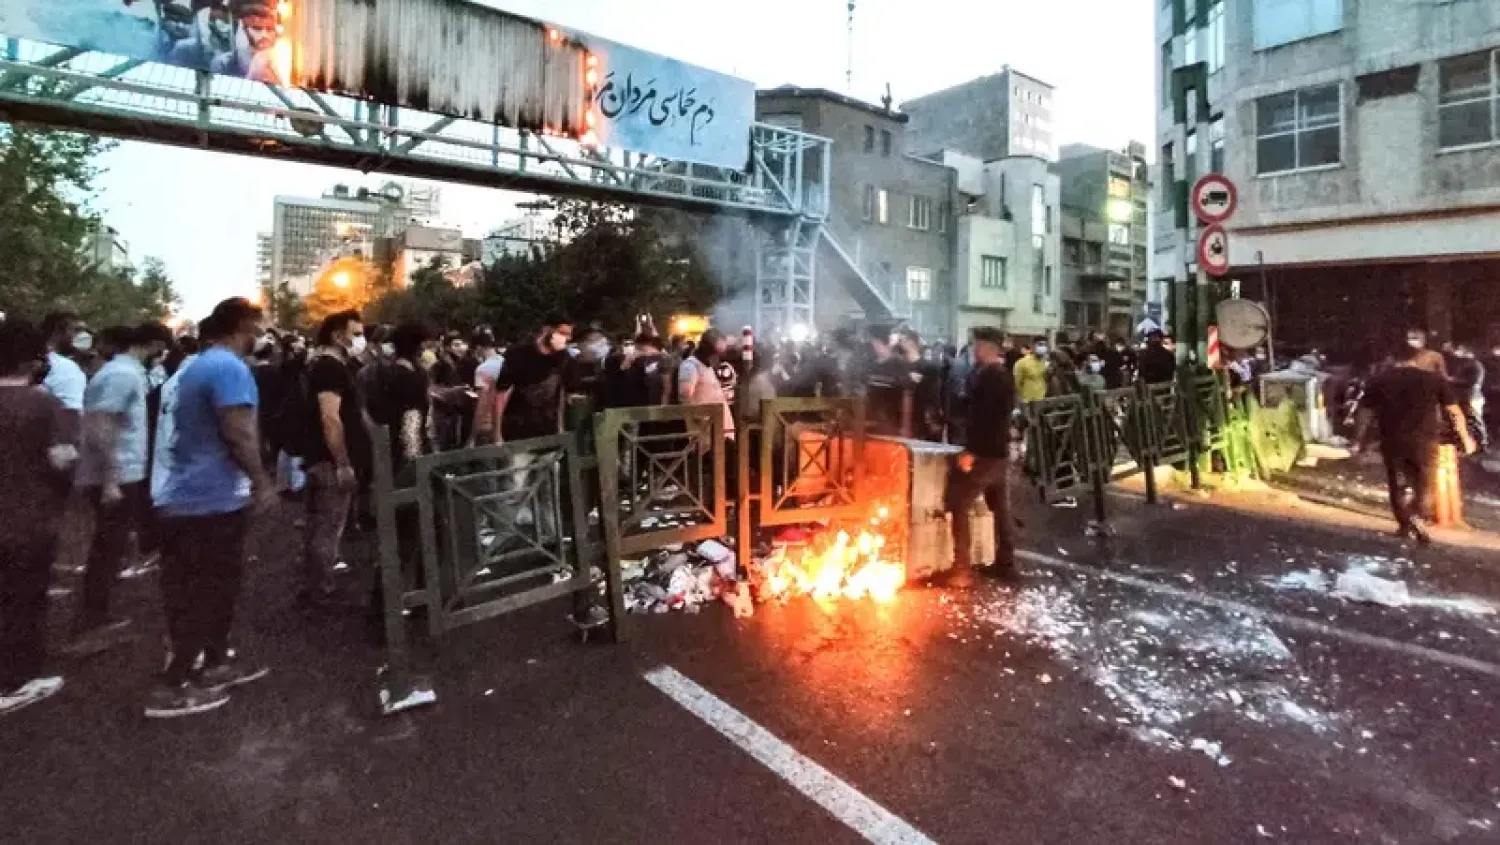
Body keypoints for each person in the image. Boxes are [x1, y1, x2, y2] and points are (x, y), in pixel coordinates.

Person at [150, 297, 275, 718]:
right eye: (260, 323)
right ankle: (173, 685)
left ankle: (215, 662)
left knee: (216, 587)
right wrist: (261, 482)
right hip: (206, 500)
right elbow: (238, 432)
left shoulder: (199, 366)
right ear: (243, 325)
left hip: (196, 496)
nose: (265, 332)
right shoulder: (227, 368)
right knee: (199, 591)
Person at [67, 322, 172, 656]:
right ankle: (90, 624)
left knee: (110, 546)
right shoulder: (122, 375)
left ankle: (96, 618)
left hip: (120, 473)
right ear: (154, 344)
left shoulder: (125, 373)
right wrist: (111, 478)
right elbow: (100, 425)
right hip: (115, 475)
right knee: (106, 549)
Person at [0, 319, 78, 715]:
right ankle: (16, 680)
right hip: (28, 521)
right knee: (24, 601)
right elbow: (61, 460)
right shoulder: (43, 404)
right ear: (33, 360)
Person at [1353, 342, 1476, 545]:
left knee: (1398, 481)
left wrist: (1358, 440)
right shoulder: (1433, 380)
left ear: (1395, 359)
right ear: (1420, 359)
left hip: (1392, 437)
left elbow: (1365, 412)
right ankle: (1418, 515)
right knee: (1425, 482)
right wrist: (1465, 438)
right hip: (1425, 439)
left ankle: (1405, 523)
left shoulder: (1380, 379)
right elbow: (1454, 412)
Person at [298, 310, 369, 610]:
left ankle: (315, 584)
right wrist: (342, 462)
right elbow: (330, 418)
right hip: (329, 462)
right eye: (355, 334)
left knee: (320, 526)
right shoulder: (329, 369)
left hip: (322, 459)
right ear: (337, 336)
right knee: (327, 527)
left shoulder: (330, 366)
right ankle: (320, 590)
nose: (360, 340)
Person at [944, 327, 1018, 588]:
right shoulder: (999, 375)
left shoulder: (992, 377)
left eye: (978, 345)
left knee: (958, 500)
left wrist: (970, 452)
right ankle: (1006, 562)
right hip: (999, 452)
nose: (974, 349)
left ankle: (961, 569)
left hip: (985, 453)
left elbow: (983, 418)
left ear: (989, 348)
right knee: (1000, 507)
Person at [1013, 338, 1049, 404]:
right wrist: (1020, 399)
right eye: (1040, 344)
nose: (1043, 347)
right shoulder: (1022, 362)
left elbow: (1045, 380)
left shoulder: (1045, 363)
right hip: (1026, 401)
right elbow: (1016, 383)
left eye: (1045, 345)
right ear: (1033, 346)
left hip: (1041, 400)